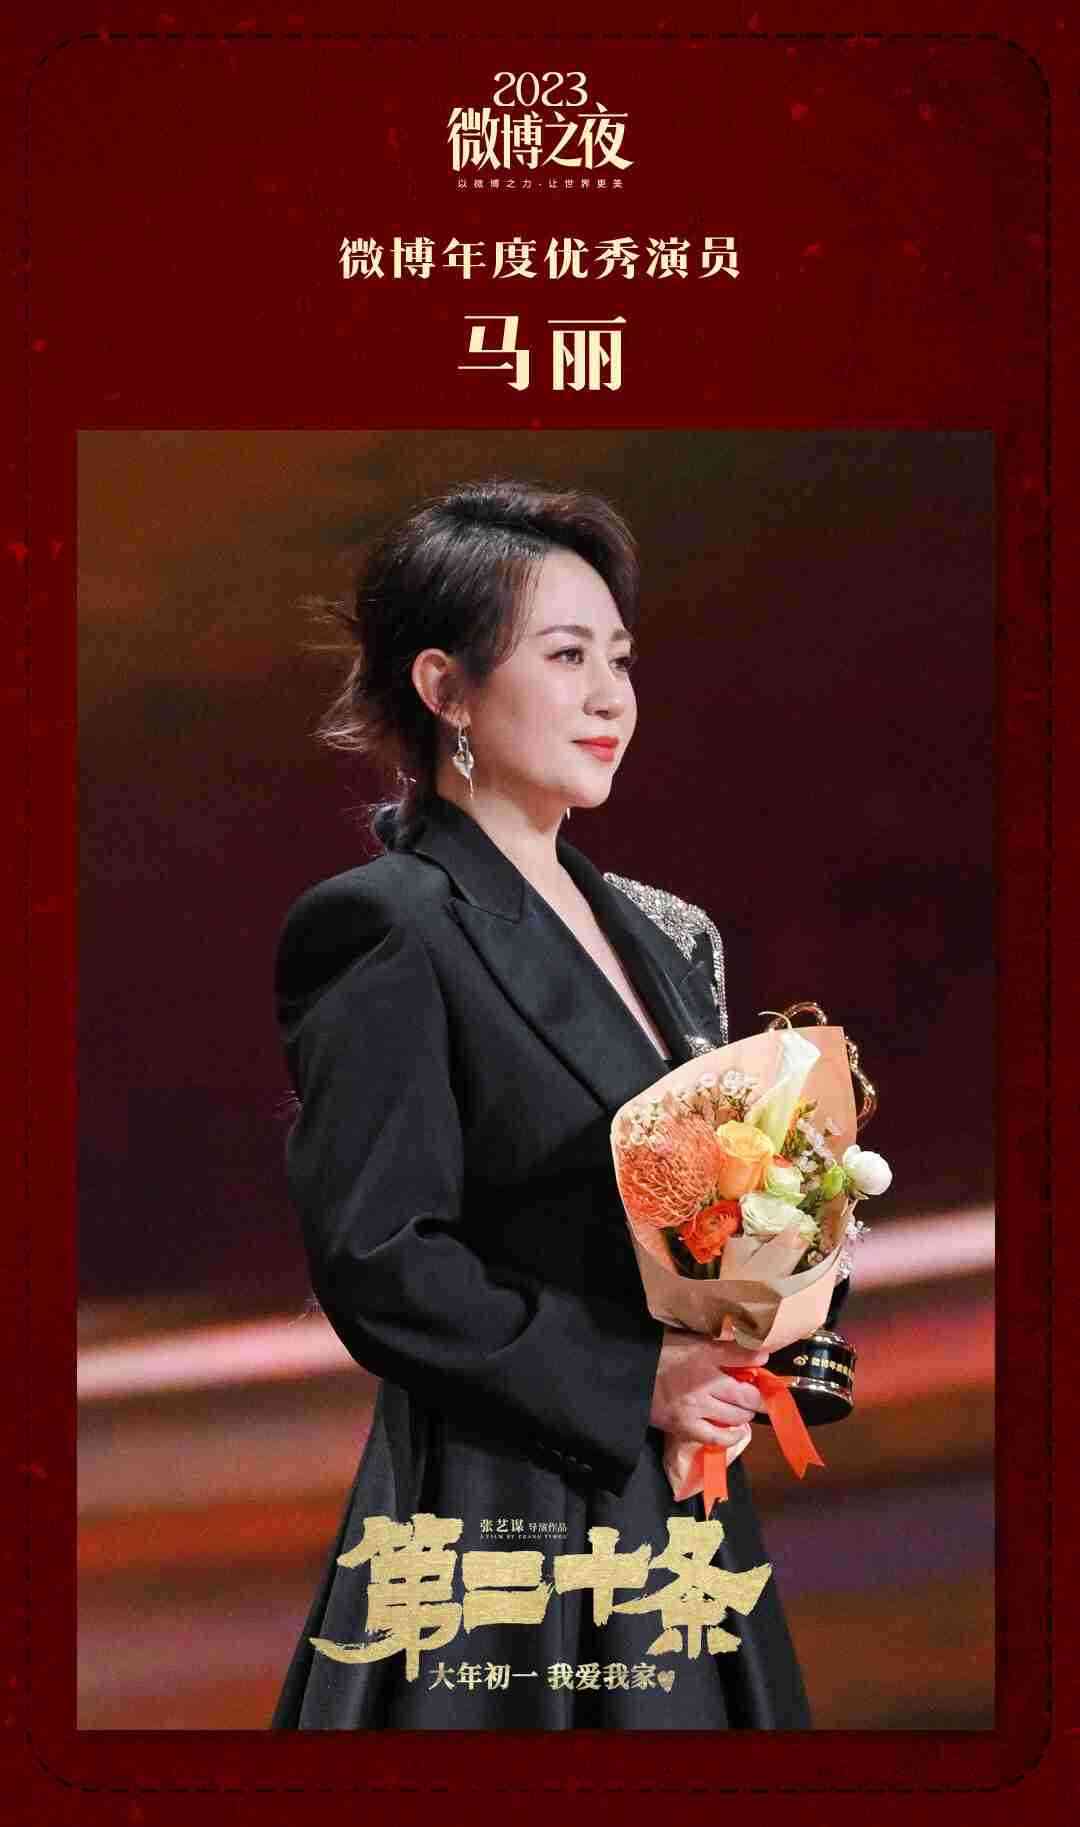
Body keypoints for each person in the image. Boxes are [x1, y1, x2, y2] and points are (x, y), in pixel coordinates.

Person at [270, 479, 818, 1730]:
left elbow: (711, 1209)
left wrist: (776, 1304)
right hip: (503, 1511)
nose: (612, 697)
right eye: (566, 657)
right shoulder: (387, 925)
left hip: (676, 1502)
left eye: (620, 658)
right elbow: (381, 1256)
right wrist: (638, 1379)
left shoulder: (663, 933)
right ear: (446, 689)